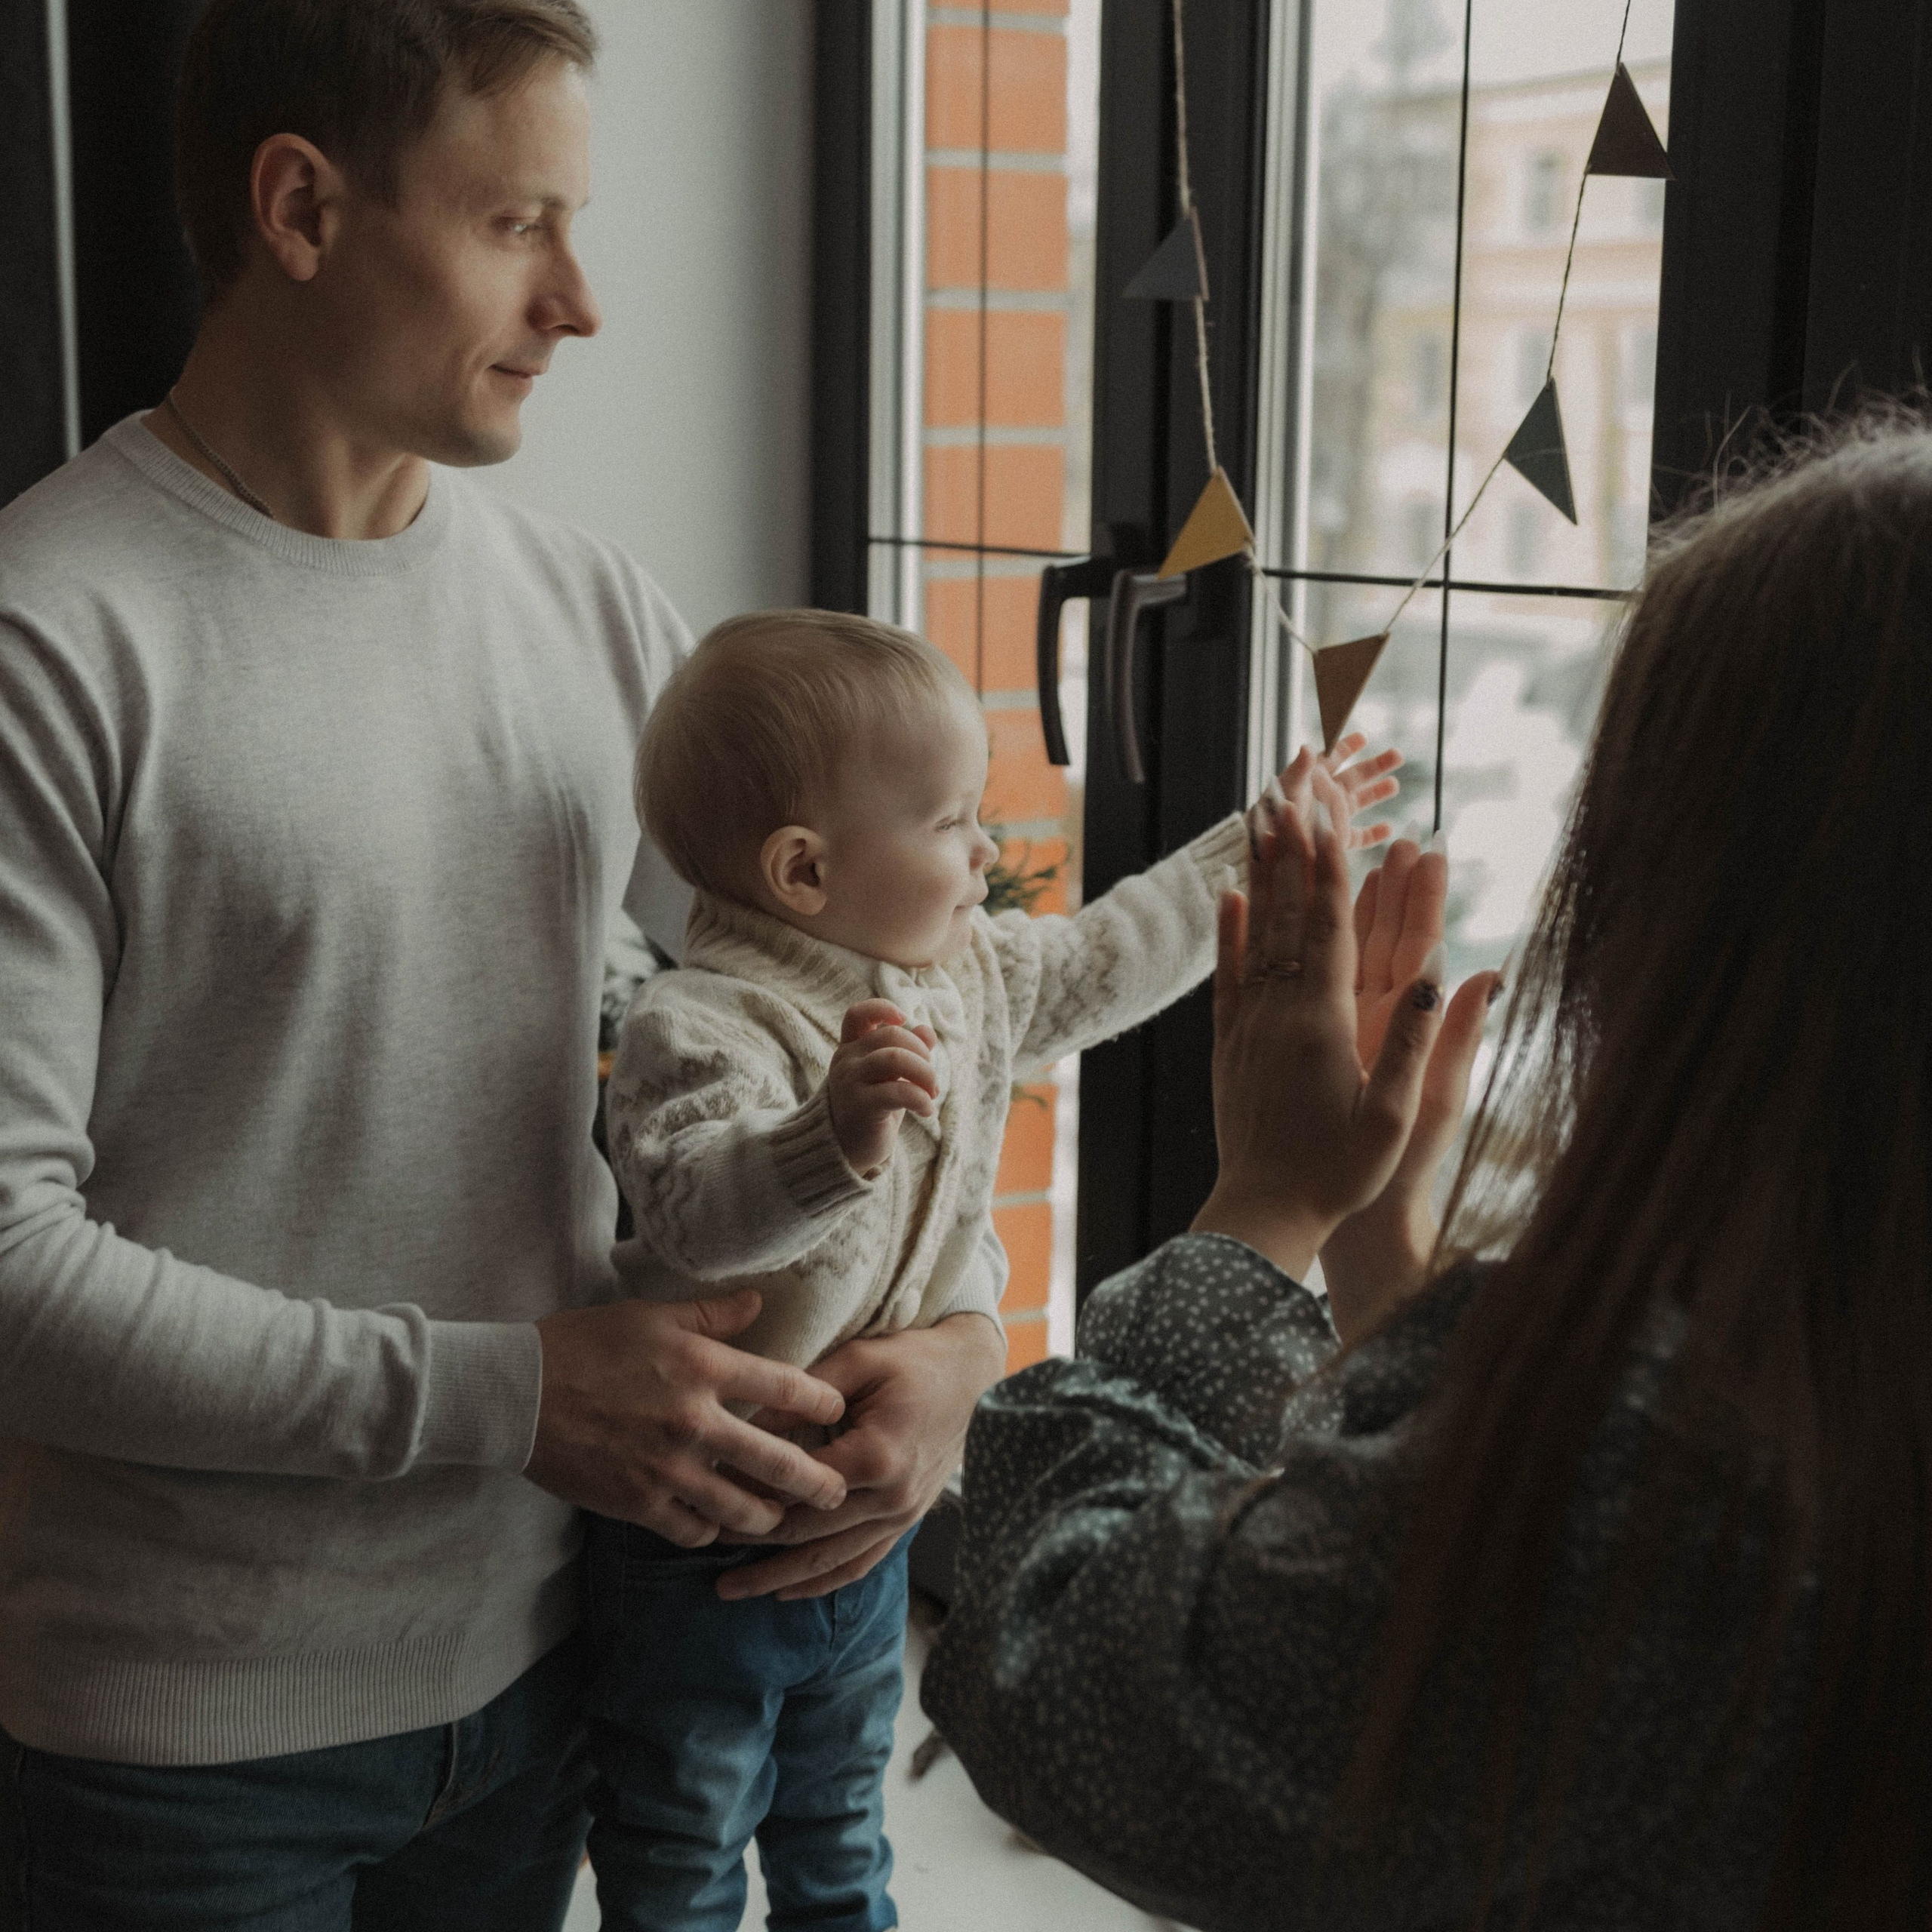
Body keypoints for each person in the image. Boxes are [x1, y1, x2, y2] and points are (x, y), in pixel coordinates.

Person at [0, 4, 995, 1926]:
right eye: (515, 222)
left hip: (552, 1682)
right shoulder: (51, 636)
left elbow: (861, 1005)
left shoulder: (592, 613)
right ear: (302, 208)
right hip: (177, 1750)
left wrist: (957, 1338)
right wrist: (510, 1398)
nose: (579, 303)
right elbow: (11, 1270)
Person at [923, 422, 1932, 1931]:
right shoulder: (1816, 1382)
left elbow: (1065, 1663)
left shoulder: (1666, 1468)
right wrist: (1383, 1262)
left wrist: (1262, 1206)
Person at [586, 608, 1405, 1930]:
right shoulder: (704, 1019)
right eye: (953, 822)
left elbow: (1109, 951)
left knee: (842, 1823)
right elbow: (694, 1213)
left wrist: (1259, 847)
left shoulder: (963, 978)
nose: (987, 850)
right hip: (701, 1531)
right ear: (804, 871)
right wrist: (827, 1139)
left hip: (864, 1517)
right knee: (682, 1837)